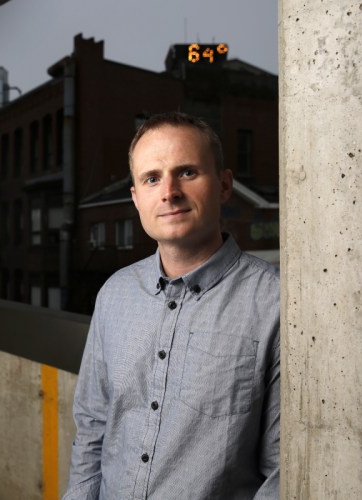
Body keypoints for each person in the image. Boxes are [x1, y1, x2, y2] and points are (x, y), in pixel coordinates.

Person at [63, 112, 280, 499]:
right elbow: (93, 428)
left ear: (225, 185)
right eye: (151, 178)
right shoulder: (114, 294)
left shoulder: (274, 302)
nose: (169, 192)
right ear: (136, 198)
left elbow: (283, 469)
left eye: (187, 172)